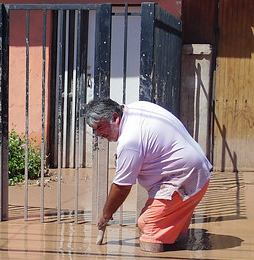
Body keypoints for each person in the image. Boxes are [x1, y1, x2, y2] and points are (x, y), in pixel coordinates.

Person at [83, 98, 212, 252]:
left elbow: (122, 187)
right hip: (196, 174)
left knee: (147, 227)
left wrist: (105, 215)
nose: (99, 134)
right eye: (95, 130)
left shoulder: (130, 141)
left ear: (115, 118)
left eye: (100, 127)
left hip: (183, 179)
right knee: (173, 233)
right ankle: (178, 248)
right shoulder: (138, 107)